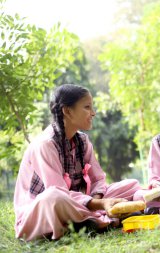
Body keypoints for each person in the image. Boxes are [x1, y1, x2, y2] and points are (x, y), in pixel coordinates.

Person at [14, 84, 143, 241]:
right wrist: (100, 204)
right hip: (43, 212)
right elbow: (59, 191)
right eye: (87, 107)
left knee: (131, 185)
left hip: (78, 204)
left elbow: (98, 179)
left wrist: (99, 199)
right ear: (67, 111)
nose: (93, 113)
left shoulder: (83, 141)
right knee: (53, 197)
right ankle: (103, 221)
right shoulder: (45, 145)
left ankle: (90, 221)